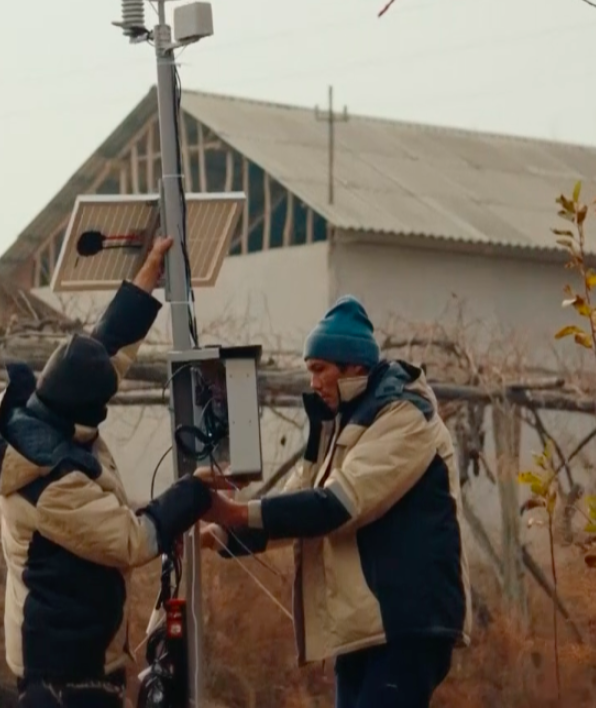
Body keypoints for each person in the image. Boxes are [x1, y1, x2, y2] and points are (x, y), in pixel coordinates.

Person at [0, 235, 213, 708]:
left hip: (72, 665)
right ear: (84, 419)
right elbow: (133, 538)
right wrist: (195, 493)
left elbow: (99, 355)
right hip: (65, 680)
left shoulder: (28, 417)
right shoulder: (54, 483)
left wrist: (145, 283)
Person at [199, 295, 472, 708]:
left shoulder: (403, 417)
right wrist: (219, 534)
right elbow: (299, 502)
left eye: (319, 369)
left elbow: (336, 506)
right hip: (365, 627)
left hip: (405, 623)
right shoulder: (344, 420)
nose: (313, 382)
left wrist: (235, 511)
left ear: (354, 367)